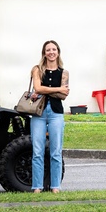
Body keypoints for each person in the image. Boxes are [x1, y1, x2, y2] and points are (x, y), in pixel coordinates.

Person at [29, 40, 69, 193]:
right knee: (37, 150)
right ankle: (37, 186)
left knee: (56, 151)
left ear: (58, 52)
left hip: (56, 113)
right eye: (48, 50)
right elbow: (37, 87)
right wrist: (57, 89)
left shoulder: (64, 72)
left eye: (54, 49)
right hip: (39, 113)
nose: (51, 52)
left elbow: (63, 96)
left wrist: (43, 91)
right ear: (44, 53)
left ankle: (55, 186)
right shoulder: (37, 70)